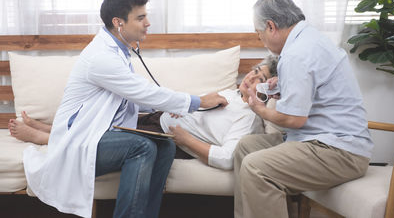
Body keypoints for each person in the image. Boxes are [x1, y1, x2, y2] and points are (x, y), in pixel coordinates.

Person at [22, 0, 228, 218]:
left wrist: (169, 105)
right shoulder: (101, 57)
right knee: (141, 146)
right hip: (80, 142)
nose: (148, 23)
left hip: (101, 135)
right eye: (140, 17)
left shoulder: (118, 51)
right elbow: (141, 92)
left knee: (165, 145)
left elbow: (130, 98)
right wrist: (198, 101)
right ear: (119, 22)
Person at [233, 0, 374, 218]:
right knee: (246, 147)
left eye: (259, 34)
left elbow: (294, 120)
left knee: (255, 167)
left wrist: (258, 109)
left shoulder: (297, 53)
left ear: (271, 26)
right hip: (321, 141)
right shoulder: (307, 40)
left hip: (340, 152)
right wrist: (283, 87)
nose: (261, 40)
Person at [10, 56, 279, 171]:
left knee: (105, 136)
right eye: (255, 71)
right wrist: (184, 108)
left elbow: (227, 158)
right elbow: (205, 114)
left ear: (269, 90)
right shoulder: (230, 94)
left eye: (260, 79)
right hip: (160, 117)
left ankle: (45, 138)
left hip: (169, 137)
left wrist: (185, 139)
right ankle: (50, 127)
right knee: (103, 115)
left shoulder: (248, 118)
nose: (252, 78)